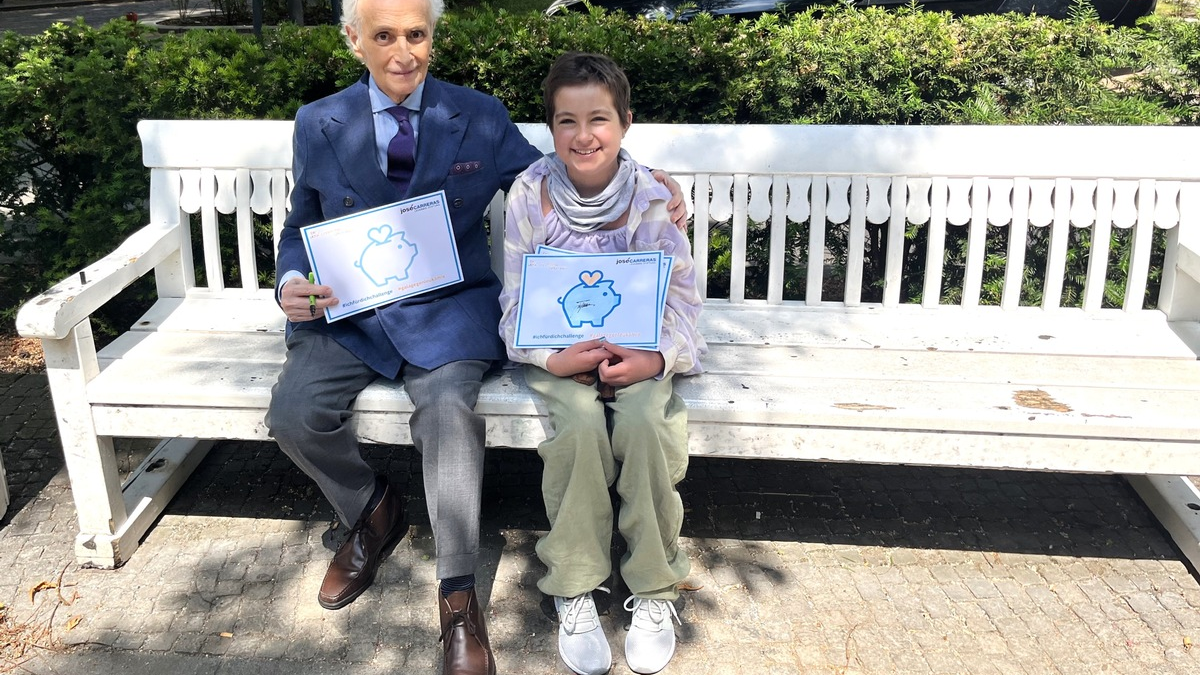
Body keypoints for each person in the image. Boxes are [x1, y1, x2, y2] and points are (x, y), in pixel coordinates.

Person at [265, 2, 686, 673]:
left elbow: (559, 172)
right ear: (353, 41)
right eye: (383, 35)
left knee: (448, 416)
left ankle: (457, 596)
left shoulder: (477, 115)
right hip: (351, 312)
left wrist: (648, 182)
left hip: (446, 312)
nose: (402, 51)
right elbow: (300, 223)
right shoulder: (319, 121)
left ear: (432, 37)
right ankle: (372, 509)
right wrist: (291, 279)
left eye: (416, 34)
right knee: (293, 415)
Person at [497, 52, 705, 675]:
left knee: (644, 423)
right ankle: (575, 582)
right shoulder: (530, 194)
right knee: (580, 426)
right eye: (567, 121)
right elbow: (515, 303)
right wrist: (550, 357)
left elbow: (683, 301)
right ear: (550, 127)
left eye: (599, 119)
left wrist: (655, 359)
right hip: (558, 354)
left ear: (625, 123)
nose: (583, 135)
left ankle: (655, 584)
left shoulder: (651, 197)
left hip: (640, 352)